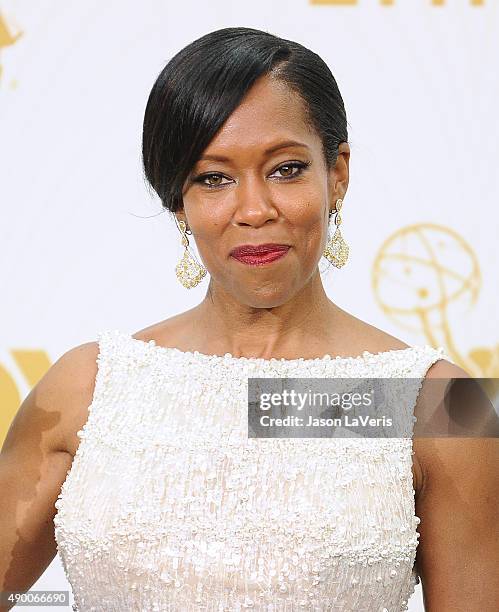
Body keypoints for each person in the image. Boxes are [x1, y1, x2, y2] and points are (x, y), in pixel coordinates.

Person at [1, 26, 497, 612]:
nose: (255, 210)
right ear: (176, 200)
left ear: (336, 173)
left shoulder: (444, 405)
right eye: (213, 178)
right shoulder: (89, 386)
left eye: (286, 169)